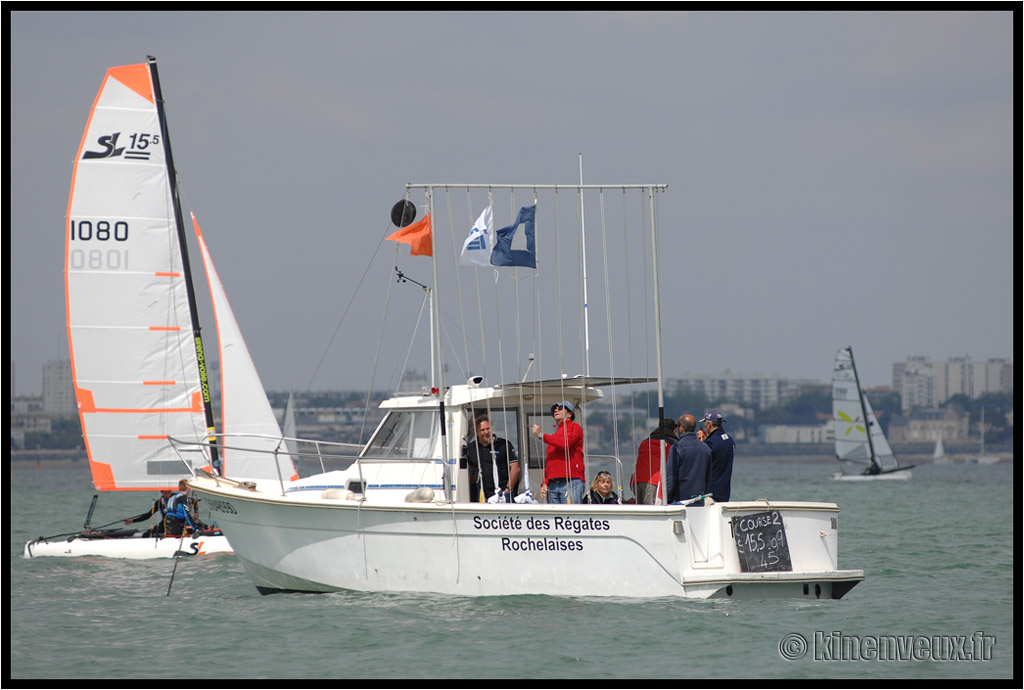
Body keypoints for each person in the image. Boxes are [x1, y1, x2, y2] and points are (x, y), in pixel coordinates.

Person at [532, 400, 585, 504]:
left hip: (571, 482)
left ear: (569, 414)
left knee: (572, 517)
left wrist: (542, 435)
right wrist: (545, 482)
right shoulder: (555, 436)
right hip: (553, 484)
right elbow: (550, 461)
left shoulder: (575, 427)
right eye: (555, 409)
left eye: (560, 408)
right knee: (555, 518)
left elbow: (565, 443)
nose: (556, 410)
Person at [463, 414, 520, 503]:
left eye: (488, 428)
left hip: (503, 495)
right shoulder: (472, 448)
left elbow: (515, 468)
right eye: (482, 430)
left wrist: (508, 490)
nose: (486, 432)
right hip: (483, 496)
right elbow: (471, 471)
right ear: (476, 432)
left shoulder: (503, 445)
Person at [630, 418, 678, 504]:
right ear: (674, 430)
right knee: (651, 510)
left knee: (640, 510)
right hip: (654, 482)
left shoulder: (645, 442)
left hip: (636, 480)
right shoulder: (672, 444)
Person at [665, 414, 711, 505]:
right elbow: (708, 477)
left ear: (681, 428)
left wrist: (666, 499)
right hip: (698, 501)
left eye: (677, 426)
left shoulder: (677, 448)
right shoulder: (705, 448)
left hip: (680, 502)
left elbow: (670, 478)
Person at [702, 409, 736, 502]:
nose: (705, 427)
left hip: (710, 492)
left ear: (709, 424)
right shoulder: (730, 440)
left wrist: (701, 443)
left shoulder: (710, 443)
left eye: (705, 424)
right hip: (724, 492)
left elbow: (701, 462)